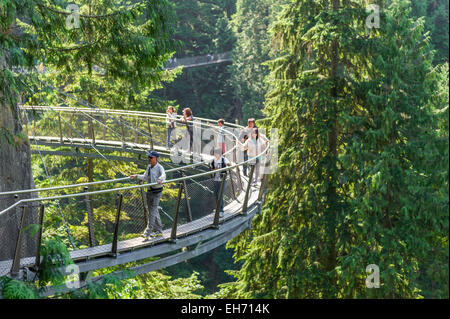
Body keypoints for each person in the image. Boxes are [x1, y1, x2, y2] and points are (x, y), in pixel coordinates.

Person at [129, 150, 166, 239]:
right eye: (148, 157)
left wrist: (160, 179)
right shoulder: (149, 167)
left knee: (152, 212)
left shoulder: (159, 167)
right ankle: (159, 231)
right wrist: (137, 176)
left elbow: (164, 175)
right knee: (153, 211)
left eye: (151, 157)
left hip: (157, 192)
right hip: (150, 191)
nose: (149, 159)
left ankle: (147, 232)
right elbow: (145, 177)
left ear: (156, 158)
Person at [210, 147, 232, 217]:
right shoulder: (213, 160)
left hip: (223, 179)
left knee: (220, 194)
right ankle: (218, 208)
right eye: (214, 153)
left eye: (216, 153)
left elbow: (230, 165)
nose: (215, 155)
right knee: (216, 194)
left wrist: (226, 167)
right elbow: (211, 169)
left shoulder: (224, 159)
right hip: (215, 179)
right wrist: (214, 169)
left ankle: (221, 211)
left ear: (219, 154)